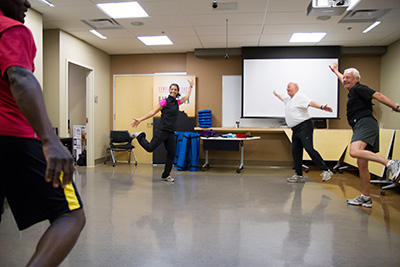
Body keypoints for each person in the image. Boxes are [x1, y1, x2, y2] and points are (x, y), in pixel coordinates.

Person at [0, 1, 85, 266]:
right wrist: (50, 140)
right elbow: (21, 78)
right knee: (71, 213)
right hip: (14, 139)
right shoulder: (10, 29)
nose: (27, 3)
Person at [329, 62, 400, 208]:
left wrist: (396, 107)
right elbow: (343, 78)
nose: (345, 80)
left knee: (354, 151)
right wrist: (336, 71)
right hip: (362, 126)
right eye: (344, 78)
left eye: (349, 78)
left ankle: (391, 163)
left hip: (365, 123)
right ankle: (365, 197)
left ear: (356, 79)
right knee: (362, 165)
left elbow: (378, 95)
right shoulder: (353, 89)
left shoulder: (359, 88)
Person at [131, 80, 194, 183]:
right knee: (150, 148)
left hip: (170, 132)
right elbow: (153, 112)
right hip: (162, 130)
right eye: (172, 89)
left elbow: (186, 97)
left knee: (171, 153)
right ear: (169, 90)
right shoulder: (164, 101)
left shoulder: (177, 102)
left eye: (175, 89)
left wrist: (191, 87)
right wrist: (140, 119)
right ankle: (140, 136)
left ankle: (166, 175)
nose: (173, 90)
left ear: (177, 91)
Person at [273, 82, 334, 183]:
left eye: (290, 87)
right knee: (296, 151)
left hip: (304, 126)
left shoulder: (299, 97)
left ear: (296, 88)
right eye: (287, 87)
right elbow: (281, 97)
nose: (287, 88)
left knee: (309, 148)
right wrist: (276, 93)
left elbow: (311, 103)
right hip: (295, 129)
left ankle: (326, 170)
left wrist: (322, 107)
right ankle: (299, 175)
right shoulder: (288, 100)